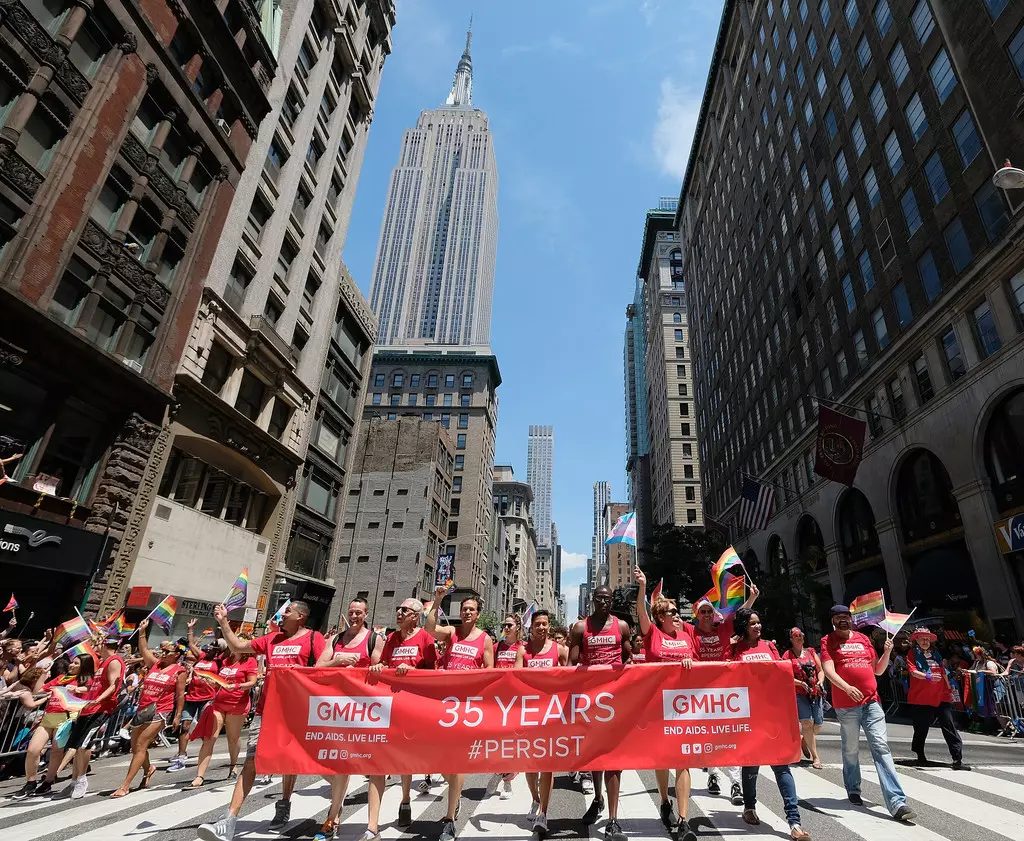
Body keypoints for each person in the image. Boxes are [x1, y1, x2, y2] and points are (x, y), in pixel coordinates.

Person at [197, 600, 326, 841]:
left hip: (298, 711)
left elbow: (323, 669)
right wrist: (223, 621)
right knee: (251, 762)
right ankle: (229, 820)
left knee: (290, 761)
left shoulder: (314, 638)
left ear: (300, 616)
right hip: (266, 710)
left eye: (287, 610)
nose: (282, 613)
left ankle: (285, 802)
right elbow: (237, 645)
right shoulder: (270, 639)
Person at [820, 604, 915, 822]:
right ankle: (853, 788)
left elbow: (878, 670)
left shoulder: (864, 640)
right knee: (851, 749)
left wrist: (888, 652)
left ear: (851, 619)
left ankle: (897, 802)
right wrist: (846, 687)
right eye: (838, 617)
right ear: (833, 621)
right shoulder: (828, 641)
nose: (843, 620)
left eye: (846, 616)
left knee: (881, 747)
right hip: (846, 704)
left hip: (872, 701)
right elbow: (828, 670)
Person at [727, 609, 809, 840]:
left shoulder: (770, 647)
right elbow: (726, 675)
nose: (757, 626)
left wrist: (799, 684)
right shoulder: (735, 648)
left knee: (782, 765)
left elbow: (781, 671)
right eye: (752, 623)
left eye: (759, 622)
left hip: (774, 714)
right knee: (751, 765)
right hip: (748, 714)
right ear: (743, 626)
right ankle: (750, 807)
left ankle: (794, 822)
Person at [311, 598, 385, 841]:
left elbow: (381, 670)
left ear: (366, 614)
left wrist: (375, 669)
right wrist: (338, 661)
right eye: (351, 612)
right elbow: (319, 666)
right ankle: (333, 817)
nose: (354, 616)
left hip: (367, 712)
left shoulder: (374, 639)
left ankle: (372, 825)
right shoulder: (335, 639)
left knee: (374, 766)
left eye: (358, 612)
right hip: (338, 711)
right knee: (340, 763)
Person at [426, 586, 494, 841]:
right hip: (443, 706)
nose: (466, 612)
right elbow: (430, 628)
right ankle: (455, 799)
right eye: (464, 609)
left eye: (471, 610)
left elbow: (490, 671)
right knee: (437, 759)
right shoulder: (452, 633)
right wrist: (438, 600)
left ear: (477, 614)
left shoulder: (484, 639)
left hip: (467, 709)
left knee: (457, 761)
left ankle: (449, 819)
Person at [634, 567, 696, 841]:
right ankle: (664, 800)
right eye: (671, 612)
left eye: (676, 612)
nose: (676, 615)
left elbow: (698, 666)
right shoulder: (652, 635)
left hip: (683, 706)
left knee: (683, 761)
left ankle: (684, 821)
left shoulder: (686, 638)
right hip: (657, 705)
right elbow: (641, 614)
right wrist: (642, 588)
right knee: (663, 759)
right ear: (660, 618)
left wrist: (690, 662)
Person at [568, 585, 631, 841]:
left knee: (614, 760)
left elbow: (628, 659)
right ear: (592, 601)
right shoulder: (580, 628)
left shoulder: (623, 626)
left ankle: (613, 820)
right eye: (599, 598)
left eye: (607, 598)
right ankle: (597, 798)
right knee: (595, 757)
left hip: (615, 700)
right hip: (590, 701)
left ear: (611, 600)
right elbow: (571, 664)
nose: (604, 602)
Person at [370, 598, 437, 824]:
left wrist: (412, 670)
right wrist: (380, 666)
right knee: (394, 755)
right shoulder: (391, 638)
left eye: (404, 610)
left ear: (415, 616)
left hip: (416, 705)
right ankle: (397, 805)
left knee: (415, 754)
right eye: (398, 609)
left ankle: (413, 797)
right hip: (391, 705)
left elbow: (433, 671)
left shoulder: (425, 638)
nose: (398, 612)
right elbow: (385, 663)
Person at [691, 585, 759, 806]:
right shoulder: (691, 632)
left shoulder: (723, 629)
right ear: (697, 615)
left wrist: (751, 598)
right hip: (701, 693)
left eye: (709, 611)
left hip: (726, 691)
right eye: (703, 612)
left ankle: (735, 782)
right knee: (709, 736)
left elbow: (741, 616)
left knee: (729, 736)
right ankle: (713, 774)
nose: (707, 615)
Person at [40, 634, 124, 798]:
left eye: (99, 642)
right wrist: (77, 690)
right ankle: (74, 782)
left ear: (105, 644)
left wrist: (98, 700)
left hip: (101, 708)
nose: (96, 645)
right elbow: (93, 687)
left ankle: (82, 780)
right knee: (76, 747)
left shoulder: (114, 661)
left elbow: (114, 685)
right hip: (88, 708)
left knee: (84, 745)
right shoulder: (102, 663)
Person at [110, 619, 186, 797]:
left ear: (176, 655)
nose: (162, 653)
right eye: (162, 650)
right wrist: (142, 631)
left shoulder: (179, 671)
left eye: (167, 651)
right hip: (143, 709)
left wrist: (178, 716)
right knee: (136, 748)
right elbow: (144, 650)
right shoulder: (155, 664)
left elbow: (180, 695)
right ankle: (149, 768)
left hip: (160, 711)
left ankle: (125, 785)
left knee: (141, 744)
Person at [11, 654, 95, 799]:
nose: (72, 665)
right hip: (48, 716)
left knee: (57, 752)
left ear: (84, 666)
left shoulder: (86, 680)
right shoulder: (62, 678)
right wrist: (44, 674)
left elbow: (90, 692)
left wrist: (76, 690)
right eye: (72, 662)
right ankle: (30, 782)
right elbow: (39, 691)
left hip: (66, 718)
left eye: (76, 663)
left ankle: (48, 782)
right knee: (33, 750)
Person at [521, 609, 568, 838]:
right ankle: (535, 798)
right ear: (531, 627)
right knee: (530, 765)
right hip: (529, 715)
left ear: (549, 626)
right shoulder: (523, 651)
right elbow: (514, 680)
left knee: (547, 764)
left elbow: (569, 678)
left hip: (552, 714)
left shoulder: (559, 650)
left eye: (545, 624)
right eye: (537, 624)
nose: (541, 627)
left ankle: (543, 813)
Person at [188, 641, 258, 788]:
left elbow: (252, 682)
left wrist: (237, 686)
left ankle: (233, 765)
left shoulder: (250, 661)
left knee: (233, 738)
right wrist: (211, 682)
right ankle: (199, 776)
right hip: (219, 703)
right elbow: (219, 682)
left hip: (237, 704)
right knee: (209, 738)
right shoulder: (225, 660)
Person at [907, 628, 968, 769]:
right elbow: (913, 672)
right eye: (922, 638)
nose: (925, 641)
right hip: (921, 697)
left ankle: (957, 759)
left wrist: (949, 688)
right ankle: (920, 755)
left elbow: (943, 672)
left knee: (949, 725)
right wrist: (927, 676)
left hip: (941, 695)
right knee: (921, 728)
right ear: (916, 640)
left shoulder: (936, 654)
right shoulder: (912, 654)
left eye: (927, 639)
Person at [167, 620, 219, 773]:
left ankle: (206, 753)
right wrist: (190, 629)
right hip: (191, 697)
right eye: (208, 648)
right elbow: (190, 644)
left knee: (204, 729)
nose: (208, 649)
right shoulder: (201, 657)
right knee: (184, 727)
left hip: (207, 698)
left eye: (212, 648)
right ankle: (181, 757)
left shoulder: (219, 662)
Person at [782, 628, 824, 769]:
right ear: (791, 639)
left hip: (815, 692)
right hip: (799, 693)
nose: (798, 638)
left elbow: (820, 670)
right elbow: (784, 675)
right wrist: (800, 683)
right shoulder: (787, 655)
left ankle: (805, 741)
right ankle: (816, 757)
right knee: (806, 723)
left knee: (817, 724)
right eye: (795, 636)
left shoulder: (811, 652)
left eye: (800, 635)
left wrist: (820, 682)